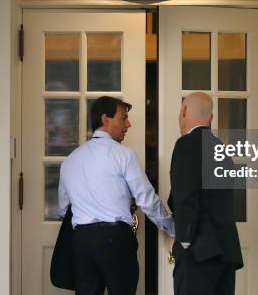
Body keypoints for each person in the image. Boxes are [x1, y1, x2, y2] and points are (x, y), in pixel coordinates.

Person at [58, 96, 174, 295]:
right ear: (105, 119)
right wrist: (173, 228)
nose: (128, 124)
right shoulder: (123, 155)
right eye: (123, 118)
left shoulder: (69, 160)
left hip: (82, 242)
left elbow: (62, 209)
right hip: (115, 240)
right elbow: (147, 200)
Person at [168, 92, 243, 295]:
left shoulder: (186, 145)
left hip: (198, 253)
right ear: (211, 118)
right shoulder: (222, 150)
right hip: (227, 252)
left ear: (184, 110)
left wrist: (184, 241)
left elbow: (185, 198)